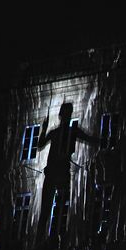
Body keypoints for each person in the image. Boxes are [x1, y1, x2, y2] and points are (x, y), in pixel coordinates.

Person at [36, 102, 98, 241]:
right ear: (62, 116)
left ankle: (55, 236)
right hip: (54, 173)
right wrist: (44, 129)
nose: (67, 117)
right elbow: (40, 145)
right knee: (49, 209)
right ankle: (45, 238)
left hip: (60, 173)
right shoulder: (58, 132)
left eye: (68, 115)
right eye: (66, 114)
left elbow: (89, 138)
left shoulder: (70, 132)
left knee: (59, 207)